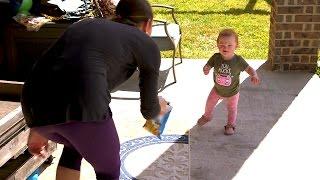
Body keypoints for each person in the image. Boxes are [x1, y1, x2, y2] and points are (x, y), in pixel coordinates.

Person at [21, 0, 168, 179]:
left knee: (75, 147)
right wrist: (160, 106)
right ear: (148, 23)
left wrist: (36, 128)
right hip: (82, 105)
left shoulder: (85, 24)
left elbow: (54, 71)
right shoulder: (146, 43)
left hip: (32, 107)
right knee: (109, 171)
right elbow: (149, 110)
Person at [197, 28, 260, 135]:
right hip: (217, 90)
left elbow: (248, 68)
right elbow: (208, 65)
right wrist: (206, 68)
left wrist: (254, 74)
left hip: (232, 93)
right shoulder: (216, 57)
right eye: (221, 44)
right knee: (209, 104)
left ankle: (230, 125)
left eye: (229, 45)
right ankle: (207, 116)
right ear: (217, 45)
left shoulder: (238, 60)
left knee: (232, 109)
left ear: (236, 45)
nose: (225, 47)